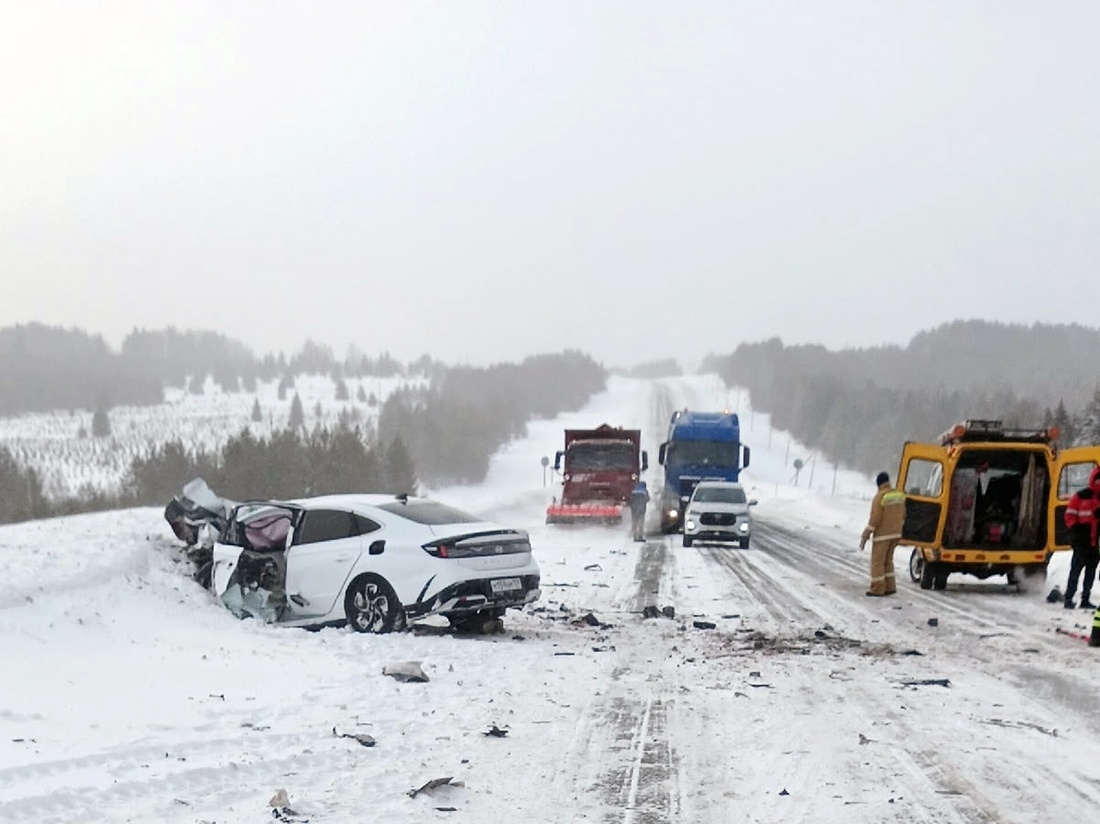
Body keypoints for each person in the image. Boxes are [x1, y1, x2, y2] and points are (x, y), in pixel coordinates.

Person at [860, 471, 906, 596]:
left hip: (883, 535)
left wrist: (866, 534)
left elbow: (875, 518)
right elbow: (903, 514)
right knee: (888, 561)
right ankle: (890, 586)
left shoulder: (880, 496)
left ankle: (878, 588)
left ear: (879, 484)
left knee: (878, 562)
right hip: (896, 533)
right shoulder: (899, 495)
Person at [1062, 466, 1100, 609]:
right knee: (1075, 571)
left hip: (1095, 542)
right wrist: (1075, 528)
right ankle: (1069, 598)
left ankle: (1085, 599)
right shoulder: (1080, 496)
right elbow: (1069, 514)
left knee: (1090, 572)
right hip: (1081, 540)